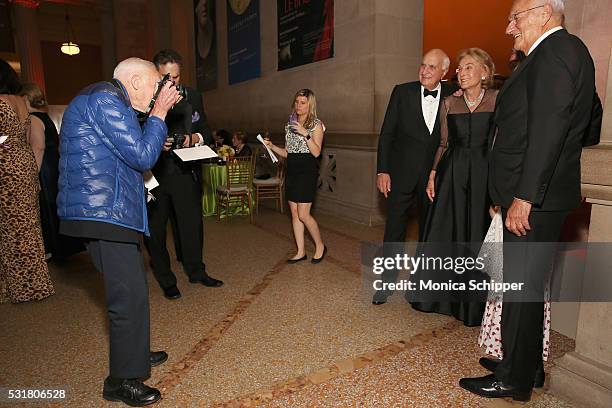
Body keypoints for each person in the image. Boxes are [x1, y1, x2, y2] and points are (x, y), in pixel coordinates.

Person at [459, 0, 602, 401]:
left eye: (515, 18)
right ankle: (526, 365)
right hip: (534, 195)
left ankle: (512, 378)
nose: (509, 28)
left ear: (543, 12)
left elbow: (549, 129)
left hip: (533, 198)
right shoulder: (553, 53)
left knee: (520, 287)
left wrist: (524, 196)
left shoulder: (557, 51)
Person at [57, 57, 180, 406]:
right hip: (102, 212)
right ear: (137, 81)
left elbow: (130, 152)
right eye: (157, 84)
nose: (159, 91)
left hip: (108, 210)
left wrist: (152, 119)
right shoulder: (105, 100)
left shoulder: (106, 99)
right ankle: (121, 380)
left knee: (134, 290)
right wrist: (158, 114)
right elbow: (142, 155)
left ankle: (134, 354)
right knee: (126, 297)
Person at [409, 48, 498, 326]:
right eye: (459, 69)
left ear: (484, 72)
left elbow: (502, 142)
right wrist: (434, 173)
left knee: (478, 233)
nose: (462, 73)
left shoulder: (499, 100)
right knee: (446, 232)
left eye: (469, 67)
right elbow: (444, 143)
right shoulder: (450, 103)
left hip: (485, 173)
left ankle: (474, 306)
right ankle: (438, 298)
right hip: (453, 173)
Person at [373, 49, 456, 305]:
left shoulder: (455, 93)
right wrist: (383, 169)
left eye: (432, 67)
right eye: (423, 65)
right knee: (394, 230)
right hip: (400, 174)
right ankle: (385, 283)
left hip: (434, 177)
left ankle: (422, 284)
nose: (425, 71)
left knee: (429, 231)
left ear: (444, 72)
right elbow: (387, 134)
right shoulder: (402, 91)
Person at [147, 49, 223, 301]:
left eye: (176, 78)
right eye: (166, 78)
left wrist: (193, 138)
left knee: (191, 226)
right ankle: (166, 279)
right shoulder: (143, 99)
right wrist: (155, 143)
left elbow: (207, 133)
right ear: (155, 75)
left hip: (186, 172)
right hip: (154, 177)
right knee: (156, 232)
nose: (172, 83)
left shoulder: (193, 95)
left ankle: (196, 271)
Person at [0, 60, 54, 304]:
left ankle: (18, 287)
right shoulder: (21, 102)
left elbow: (3, 139)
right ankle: (37, 284)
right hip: (24, 164)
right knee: (29, 225)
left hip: (6, 167)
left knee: (9, 229)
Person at [19, 83, 84, 260]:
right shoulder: (44, 116)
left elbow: (38, 147)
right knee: (54, 206)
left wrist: (32, 173)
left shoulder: (33, 118)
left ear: (25, 98)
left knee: (46, 207)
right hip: (52, 164)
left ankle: (53, 248)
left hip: (44, 167)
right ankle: (61, 247)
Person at [264, 89, 326, 263]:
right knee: (294, 214)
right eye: (297, 102)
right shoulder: (290, 124)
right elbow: (288, 152)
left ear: (310, 104)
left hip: (307, 171)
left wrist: (304, 132)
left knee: (304, 215)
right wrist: (272, 147)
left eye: (303, 102)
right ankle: (300, 251)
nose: (298, 105)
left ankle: (320, 245)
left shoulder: (317, 124)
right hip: (292, 169)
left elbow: (316, 152)